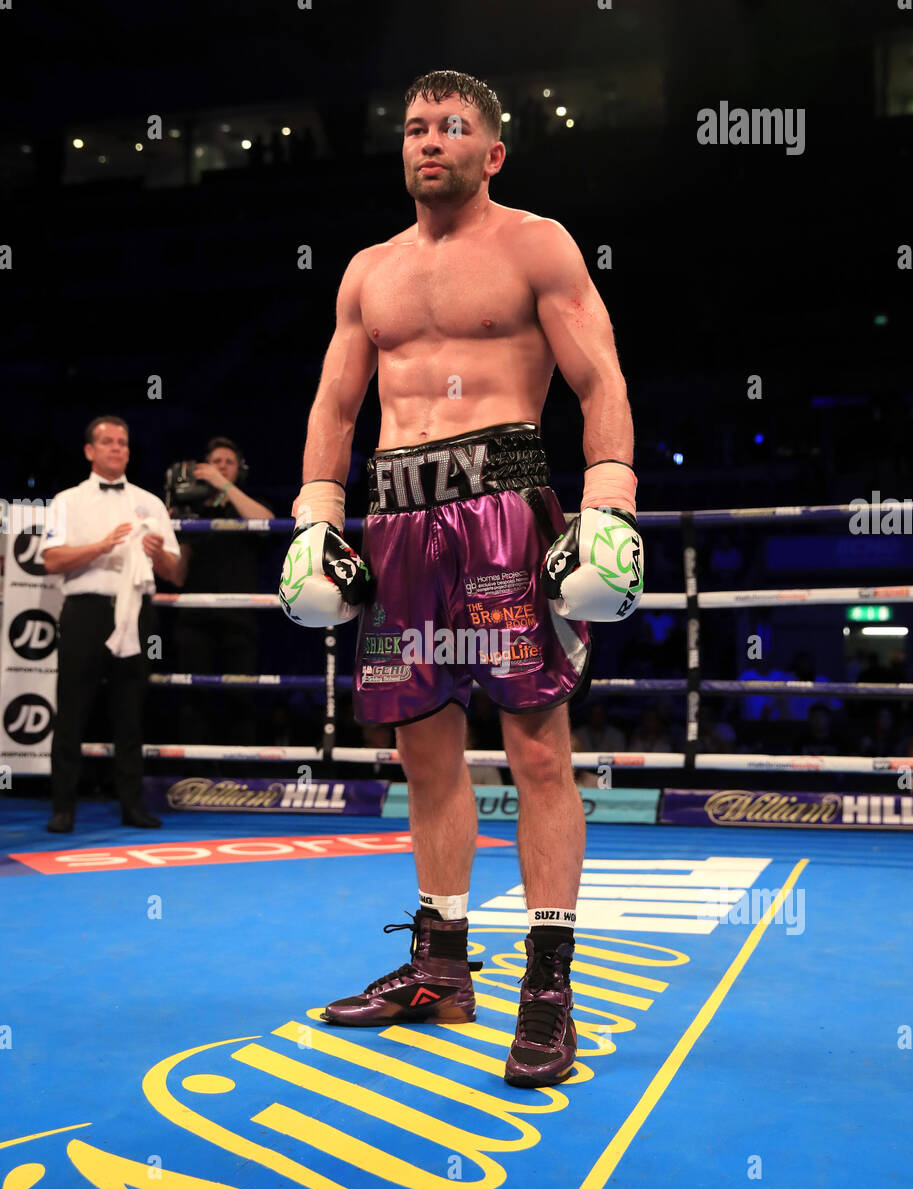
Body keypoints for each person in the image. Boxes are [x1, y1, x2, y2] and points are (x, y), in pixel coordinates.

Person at [283, 70, 643, 1088]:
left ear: (493, 151)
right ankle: (441, 967)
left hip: (504, 507)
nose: (427, 140)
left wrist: (607, 501)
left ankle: (548, 988)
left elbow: (599, 380)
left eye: (452, 127)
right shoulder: (367, 273)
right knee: (425, 755)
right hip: (397, 522)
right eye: (414, 127)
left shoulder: (538, 244)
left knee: (535, 752)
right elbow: (333, 410)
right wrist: (316, 518)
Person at [38, 416, 182, 832]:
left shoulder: (150, 502)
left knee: (130, 711)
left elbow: (174, 572)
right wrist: (104, 545)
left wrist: (156, 553)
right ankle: (62, 807)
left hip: (136, 609)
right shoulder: (66, 501)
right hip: (84, 609)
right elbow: (51, 561)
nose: (117, 448)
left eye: (123, 442)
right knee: (72, 711)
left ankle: (131, 806)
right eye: (108, 442)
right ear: (90, 451)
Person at [170, 438, 274, 767]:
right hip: (194, 615)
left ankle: (240, 773)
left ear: (238, 470)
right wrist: (167, 528)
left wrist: (225, 486)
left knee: (239, 695)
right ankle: (193, 773)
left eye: (229, 461)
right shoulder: (192, 510)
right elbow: (177, 573)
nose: (222, 466)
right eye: (216, 461)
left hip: (239, 615)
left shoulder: (246, 504)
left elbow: (268, 524)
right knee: (193, 696)